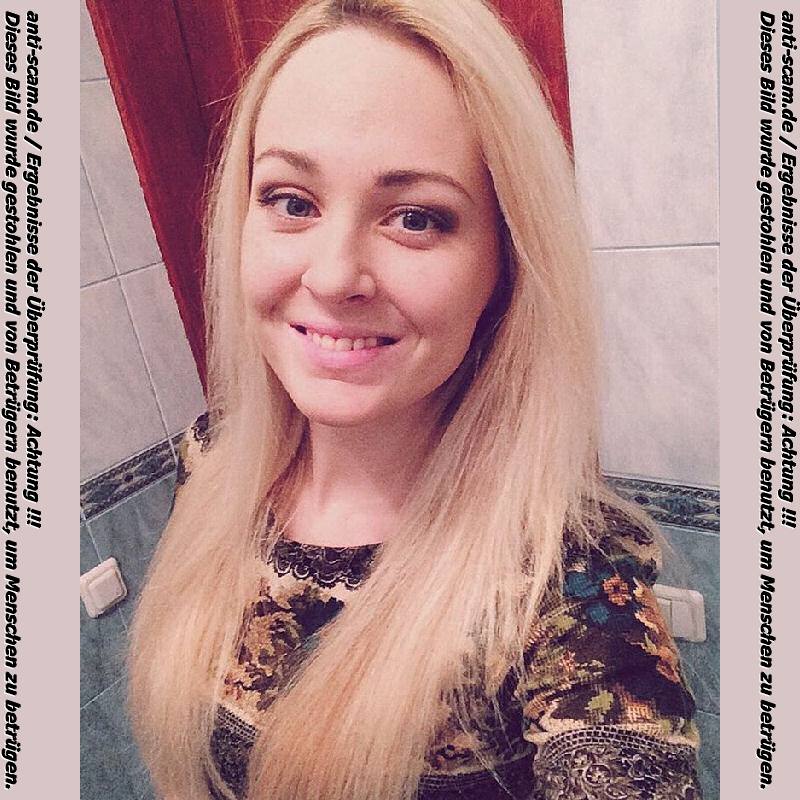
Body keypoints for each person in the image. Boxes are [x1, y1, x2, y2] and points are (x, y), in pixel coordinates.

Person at [129, 1, 703, 798]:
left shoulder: (571, 591)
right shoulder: (215, 460)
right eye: (292, 201)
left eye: (416, 218)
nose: (334, 275)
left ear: (504, 263)